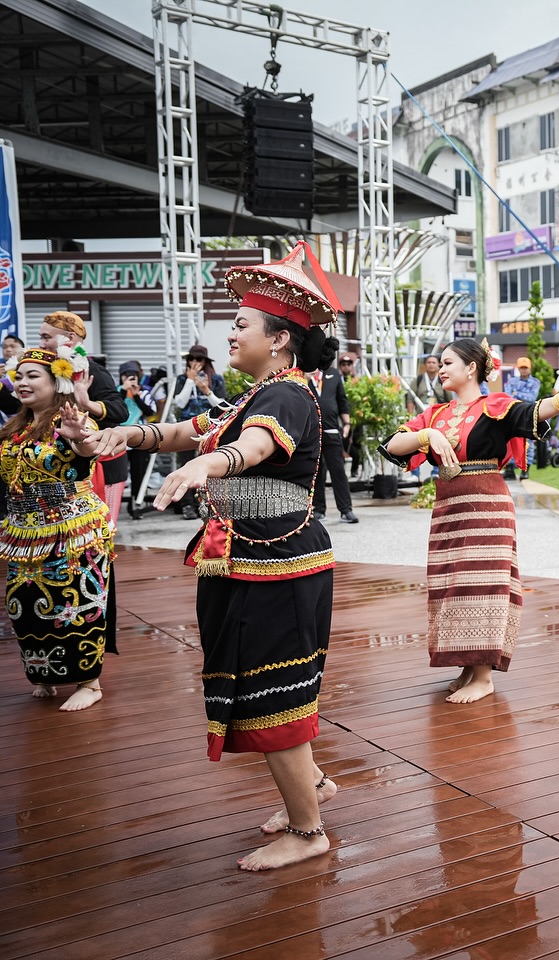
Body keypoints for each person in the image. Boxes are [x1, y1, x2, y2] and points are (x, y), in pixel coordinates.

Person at [91, 241, 342, 871]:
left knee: (273, 695)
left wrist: (212, 463)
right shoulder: (256, 393)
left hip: (276, 568)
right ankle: (309, 789)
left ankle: (308, 835)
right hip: (257, 564)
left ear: (280, 339)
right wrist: (130, 433)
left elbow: (250, 449)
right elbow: (192, 432)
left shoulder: (285, 398)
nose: (230, 332)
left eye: (241, 324)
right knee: (275, 688)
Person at [381, 338, 559, 704]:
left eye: (449, 362)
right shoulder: (435, 415)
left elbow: (535, 410)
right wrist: (428, 434)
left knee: (480, 582)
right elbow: (392, 445)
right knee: (451, 583)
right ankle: (468, 666)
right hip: (449, 506)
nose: (441, 368)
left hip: (487, 505)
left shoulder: (495, 407)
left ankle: (483, 677)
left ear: (472, 368)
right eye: (441, 363)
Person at [1, 347, 113, 711]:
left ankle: (90, 682)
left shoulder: (73, 420)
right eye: (19, 376)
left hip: (73, 531)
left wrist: (79, 438)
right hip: (24, 532)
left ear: (56, 382)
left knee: (74, 602)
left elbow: (86, 453)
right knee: (25, 606)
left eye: (33, 376)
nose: (23, 382)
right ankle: (45, 674)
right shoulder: (14, 426)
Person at [170, 344, 229, 520]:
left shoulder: (216, 379)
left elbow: (222, 407)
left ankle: (207, 503)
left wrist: (206, 390)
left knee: (209, 466)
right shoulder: (181, 379)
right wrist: (190, 381)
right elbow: (179, 403)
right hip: (187, 427)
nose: (195, 362)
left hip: (210, 428)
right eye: (191, 359)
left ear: (205, 362)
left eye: (199, 359)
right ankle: (187, 504)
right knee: (186, 464)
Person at [308, 358, 357, 523]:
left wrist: (347, 423)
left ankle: (346, 510)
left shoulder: (333, 374)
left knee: (338, 471)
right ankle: (318, 509)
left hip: (332, 430)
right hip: (311, 433)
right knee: (317, 471)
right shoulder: (303, 374)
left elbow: (342, 401)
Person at [117, 360, 155, 520]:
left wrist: (137, 395)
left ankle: (136, 506)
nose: (131, 379)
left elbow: (150, 411)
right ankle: (115, 505)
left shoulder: (145, 393)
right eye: (127, 376)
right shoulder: (116, 393)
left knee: (139, 473)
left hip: (139, 437)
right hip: (120, 438)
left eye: (133, 376)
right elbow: (114, 409)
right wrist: (124, 392)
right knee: (120, 474)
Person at [502, 356, 541, 480]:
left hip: (527, 415)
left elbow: (532, 397)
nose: (524, 370)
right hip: (513, 415)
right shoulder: (511, 381)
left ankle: (525, 470)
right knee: (511, 441)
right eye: (521, 368)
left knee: (527, 442)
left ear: (530, 368)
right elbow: (507, 396)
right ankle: (509, 470)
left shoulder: (535, 382)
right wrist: (519, 395)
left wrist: (516, 394)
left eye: (526, 368)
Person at [338, 352, 363, 479]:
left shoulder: (356, 382)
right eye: (343, 364)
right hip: (341, 420)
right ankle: (340, 471)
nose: (346, 367)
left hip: (356, 419)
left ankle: (355, 470)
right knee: (342, 444)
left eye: (348, 364)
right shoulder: (337, 381)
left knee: (357, 447)